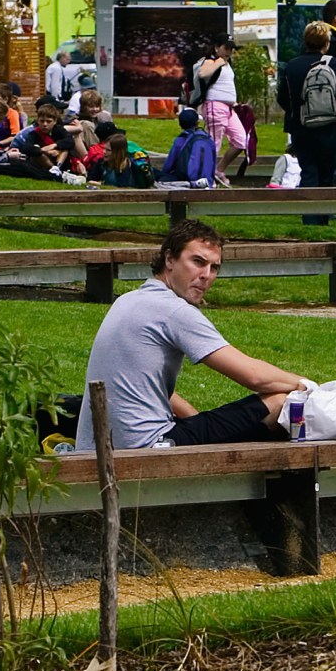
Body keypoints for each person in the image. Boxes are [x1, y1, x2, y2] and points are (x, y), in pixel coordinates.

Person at [77, 220, 311, 451]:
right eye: (198, 262)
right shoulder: (174, 311)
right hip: (147, 448)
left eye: (214, 268)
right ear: (169, 259)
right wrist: (310, 387)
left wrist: (197, 421)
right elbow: (254, 376)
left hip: (96, 448)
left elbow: (148, 388)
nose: (206, 275)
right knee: (281, 401)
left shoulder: (128, 300)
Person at [279, 20, 336, 215]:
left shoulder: (292, 66)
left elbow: (282, 97)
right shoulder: (331, 63)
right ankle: (324, 214)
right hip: (329, 126)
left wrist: (298, 111)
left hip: (301, 127)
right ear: (326, 43)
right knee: (327, 172)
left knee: (308, 170)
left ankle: (309, 215)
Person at [190, 35, 248, 175]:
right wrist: (218, 62)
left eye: (231, 49)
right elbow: (203, 73)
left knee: (241, 140)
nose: (229, 52)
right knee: (214, 143)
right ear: (217, 48)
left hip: (229, 108)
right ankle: (206, 175)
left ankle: (218, 171)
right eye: (226, 48)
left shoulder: (228, 64)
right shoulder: (211, 60)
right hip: (214, 105)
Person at [159, 105, 220, 187]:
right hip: (208, 181)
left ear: (180, 124)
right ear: (197, 122)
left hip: (187, 181)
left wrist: (163, 174)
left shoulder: (181, 140)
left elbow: (169, 164)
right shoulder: (208, 138)